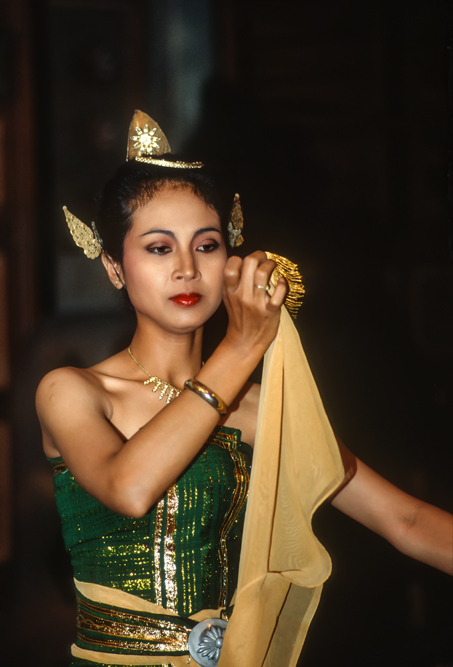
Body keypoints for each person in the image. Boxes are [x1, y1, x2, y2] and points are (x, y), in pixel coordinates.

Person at [36, 110, 452, 667]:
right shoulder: (73, 392)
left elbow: (405, 521)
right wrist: (241, 347)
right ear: (114, 266)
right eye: (159, 248)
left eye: (207, 245)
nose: (187, 268)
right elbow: (128, 488)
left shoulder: (257, 408)